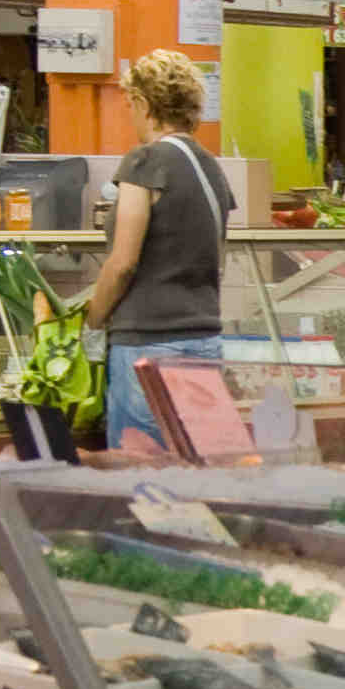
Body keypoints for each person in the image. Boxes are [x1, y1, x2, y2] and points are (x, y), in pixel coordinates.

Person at [92, 50, 238, 452]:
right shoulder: (211, 166)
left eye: (131, 106)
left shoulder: (146, 161)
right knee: (196, 466)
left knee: (143, 469)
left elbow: (123, 262)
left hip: (148, 344)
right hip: (205, 340)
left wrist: (93, 317)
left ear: (144, 104)